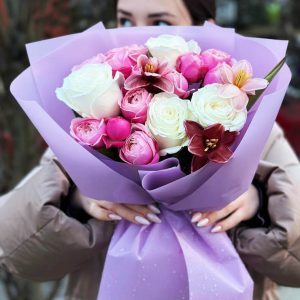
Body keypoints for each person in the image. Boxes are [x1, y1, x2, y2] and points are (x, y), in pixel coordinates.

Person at [0, 0, 300, 299]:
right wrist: (76, 201)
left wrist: (259, 203)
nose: (136, 35)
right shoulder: (83, 136)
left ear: (204, 28)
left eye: (160, 23)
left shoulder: (250, 129)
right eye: (125, 21)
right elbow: (17, 253)